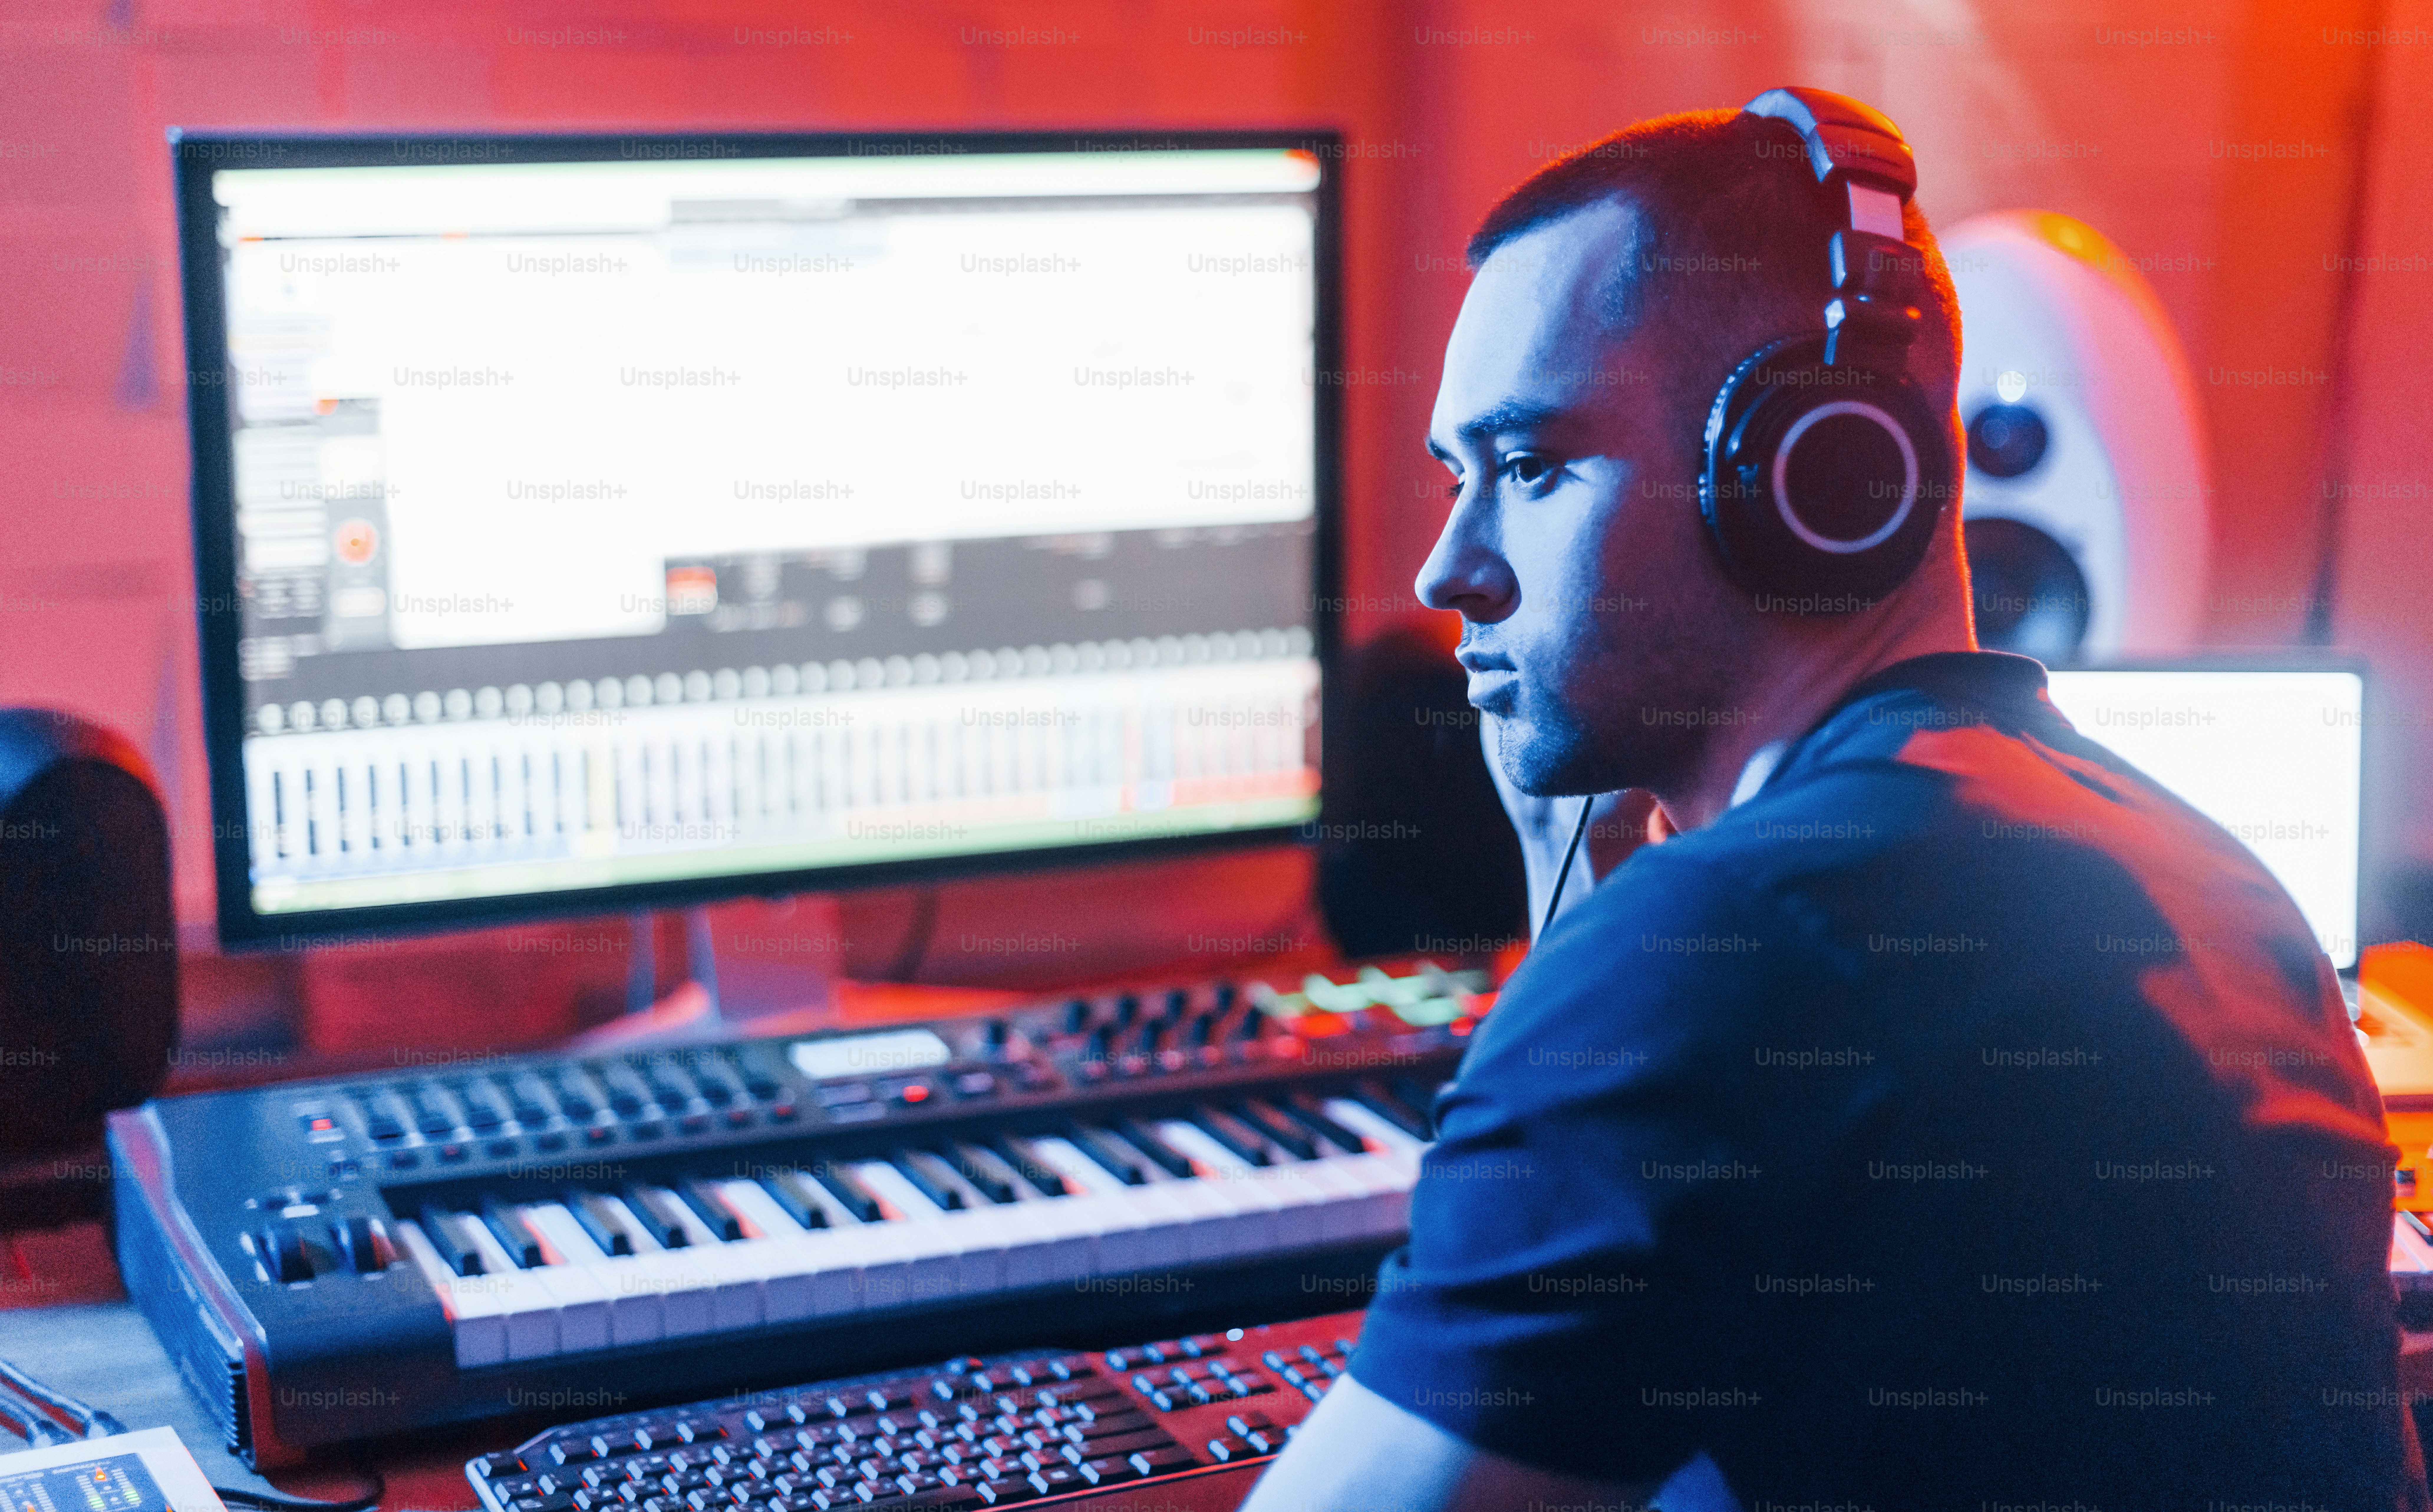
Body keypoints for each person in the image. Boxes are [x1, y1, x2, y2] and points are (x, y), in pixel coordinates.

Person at [1242, 93, 2423, 1512]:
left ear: (1814, 478)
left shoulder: (1739, 949)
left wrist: (1604, 954)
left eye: (1534, 466)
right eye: (1456, 478)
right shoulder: (2215, 880)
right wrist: (1584, 897)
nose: (1445, 572)